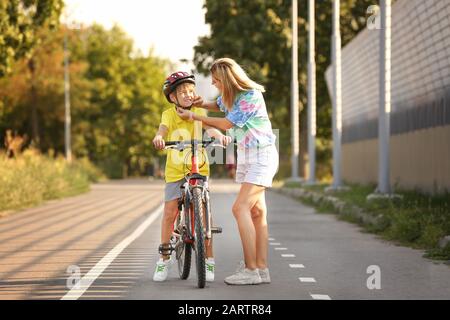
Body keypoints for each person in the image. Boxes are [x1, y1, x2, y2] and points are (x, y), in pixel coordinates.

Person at [176, 58, 279, 285]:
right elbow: (219, 105)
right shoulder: (232, 97)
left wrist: (194, 115)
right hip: (248, 156)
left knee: (239, 208)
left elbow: (227, 123)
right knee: (257, 213)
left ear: (227, 80)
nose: (214, 85)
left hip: (262, 156)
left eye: (216, 81)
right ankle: (261, 268)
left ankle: (251, 270)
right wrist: (202, 103)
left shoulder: (250, 96)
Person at [152, 71, 230, 282]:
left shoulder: (197, 111)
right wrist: (159, 137)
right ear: (172, 97)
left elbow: (210, 129)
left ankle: (208, 259)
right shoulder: (168, 115)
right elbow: (162, 130)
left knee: (204, 214)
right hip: (175, 171)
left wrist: (219, 136)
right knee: (169, 212)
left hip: (199, 167)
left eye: (190, 90)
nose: (187, 94)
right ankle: (164, 258)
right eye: (181, 92)